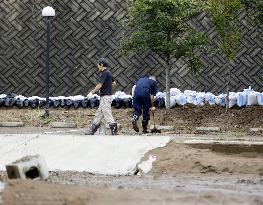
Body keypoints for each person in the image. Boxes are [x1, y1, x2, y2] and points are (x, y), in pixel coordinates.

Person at [86, 58, 117, 135]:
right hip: (105, 96)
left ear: (101, 64)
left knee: (107, 112)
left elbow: (100, 84)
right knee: (99, 113)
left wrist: (91, 93)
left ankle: (114, 131)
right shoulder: (109, 73)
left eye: (98, 64)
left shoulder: (104, 73)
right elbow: (114, 83)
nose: (97, 66)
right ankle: (92, 130)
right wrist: (107, 88)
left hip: (106, 97)